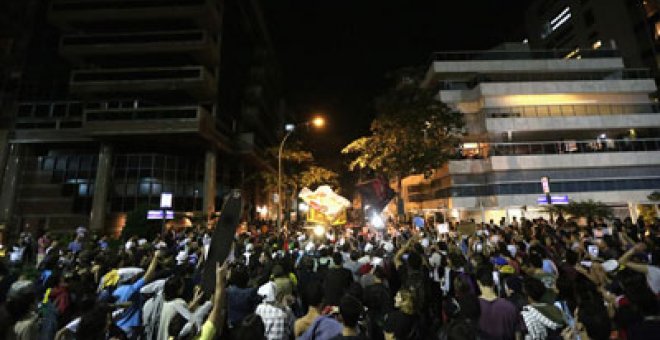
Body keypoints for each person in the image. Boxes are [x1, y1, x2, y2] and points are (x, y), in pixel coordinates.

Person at [475, 267, 519, 340]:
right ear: (493, 282)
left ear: (478, 282)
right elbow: (518, 334)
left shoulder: (473, 306)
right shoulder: (510, 306)